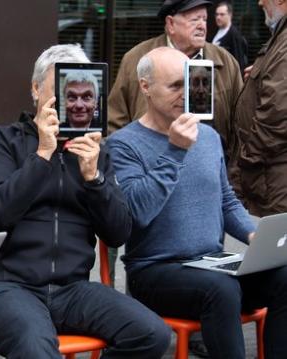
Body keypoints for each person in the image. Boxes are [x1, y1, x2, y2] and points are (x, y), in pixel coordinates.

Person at [0, 44, 171, 359]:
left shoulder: (95, 152)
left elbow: (119, 233)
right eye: (64, 93)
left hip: (73, 290)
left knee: (152, 334)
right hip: (9, 287)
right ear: (36, 90)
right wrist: (42, 155)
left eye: (82, 95)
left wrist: (95, 179)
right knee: (36, 348)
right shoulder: (4, 140)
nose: (74, 104)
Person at [107, 46, 287, 359]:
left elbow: (227, 202)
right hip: (155, 271)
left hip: (213, 263)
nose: (185, 93)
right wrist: (175, 151)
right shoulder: (123, 144)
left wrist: (253, 236)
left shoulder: (208, 137)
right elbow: (136, 213)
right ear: (145, 87)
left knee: (283, 276)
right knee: (221, 290)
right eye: (175, 85)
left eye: (188, 84)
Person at [108, 0, 242, 164]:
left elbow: (241, 128)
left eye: (205, 19)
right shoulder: (136, 59)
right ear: (171, 24)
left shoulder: (225, 62)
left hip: (210, 171)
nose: (202, 26)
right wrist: (127, 167)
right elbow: (115, 122)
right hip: (151, 170)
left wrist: (232, 177)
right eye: (195, 20)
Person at [232, 0, 287, 217]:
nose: (260, 2)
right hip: (271, 174)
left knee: (277, 248)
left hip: (274, 176)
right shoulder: (280, 37)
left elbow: (277, 113)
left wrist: (247, 158)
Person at [212, 1, 248, 73]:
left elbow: (239, 61)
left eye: (222, 14)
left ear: (230, 15)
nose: (218, 17)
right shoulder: (218, 31)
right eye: (217, 14)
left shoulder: (234, 35)